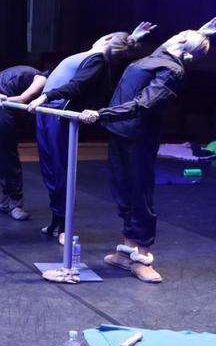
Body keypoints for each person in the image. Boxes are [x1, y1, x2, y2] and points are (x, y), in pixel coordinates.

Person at [79, 17, 216, 284]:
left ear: (181, 42)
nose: (175, 34)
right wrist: (201, 33)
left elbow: (144, 104)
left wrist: (102, 114)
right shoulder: (159, 57)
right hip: (119, 132)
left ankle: (143, 257)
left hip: (137, 137)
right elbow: (171, 48)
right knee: (122, 192)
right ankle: (126, 253)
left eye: (181, 33)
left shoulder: (173, 70)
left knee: (139, 196)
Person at [25, 24, 156, 242]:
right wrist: (132, 37)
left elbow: (76, 86)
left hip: (57, 113)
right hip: (47, 112)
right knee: (49, 170)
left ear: (106, 38)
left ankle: (65, 226)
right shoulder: (92, 56)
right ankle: (57, 221)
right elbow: (118, 45)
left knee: (59, 171)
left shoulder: (97, 59)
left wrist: (43, 97)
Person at [0, 66, 48, 220]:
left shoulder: (29, 73)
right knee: (2, 155)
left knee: (3, 154)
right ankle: (12, 202)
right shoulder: (42, 78)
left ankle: (11, 202)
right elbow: (22, 99)